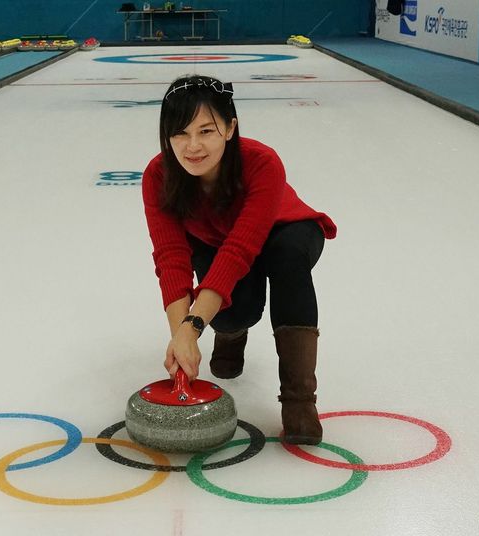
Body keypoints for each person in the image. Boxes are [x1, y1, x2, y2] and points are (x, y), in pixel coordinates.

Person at [142, 75, 337, 445]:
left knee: (288, 258)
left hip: (285, 231)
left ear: (230, 128)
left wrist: (193, 325)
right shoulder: (158, 174)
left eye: (206, 131)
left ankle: (299, 401)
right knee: (235, 310)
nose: (193, 146)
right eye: (180, 133)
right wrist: (181, 333)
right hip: (214, 242)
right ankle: (231, 335)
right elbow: (171, 258)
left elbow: (239, 252)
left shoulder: (262, 162)